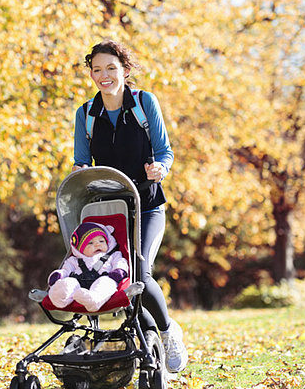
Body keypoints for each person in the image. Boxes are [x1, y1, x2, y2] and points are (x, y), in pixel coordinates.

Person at [71, 39, 187, 373]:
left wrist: (160, 168)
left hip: (148, 206)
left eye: (111, 68)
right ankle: (148, 337)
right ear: (90, 73)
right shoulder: (86, 114)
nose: (103, 75)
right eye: (97, 69)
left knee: (138, 269)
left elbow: (165, 151)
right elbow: (81, 161)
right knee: (118, 279)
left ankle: (167, 332)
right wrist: (79, 172)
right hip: (109, 212)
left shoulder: (143, 103)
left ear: (124, 69)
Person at [47, 222, 129, 312]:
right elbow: (66, 269)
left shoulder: (113, 255)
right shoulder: (75, 260)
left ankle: (94, 300)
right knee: (69, 283)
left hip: (103, 280)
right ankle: (59, 297)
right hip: (79, 286)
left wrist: (119, 271)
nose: (98, 244)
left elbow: (120, 262)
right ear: (80, 249)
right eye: (90, 243)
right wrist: (60, 275)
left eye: (102, 241)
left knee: (105, 283)